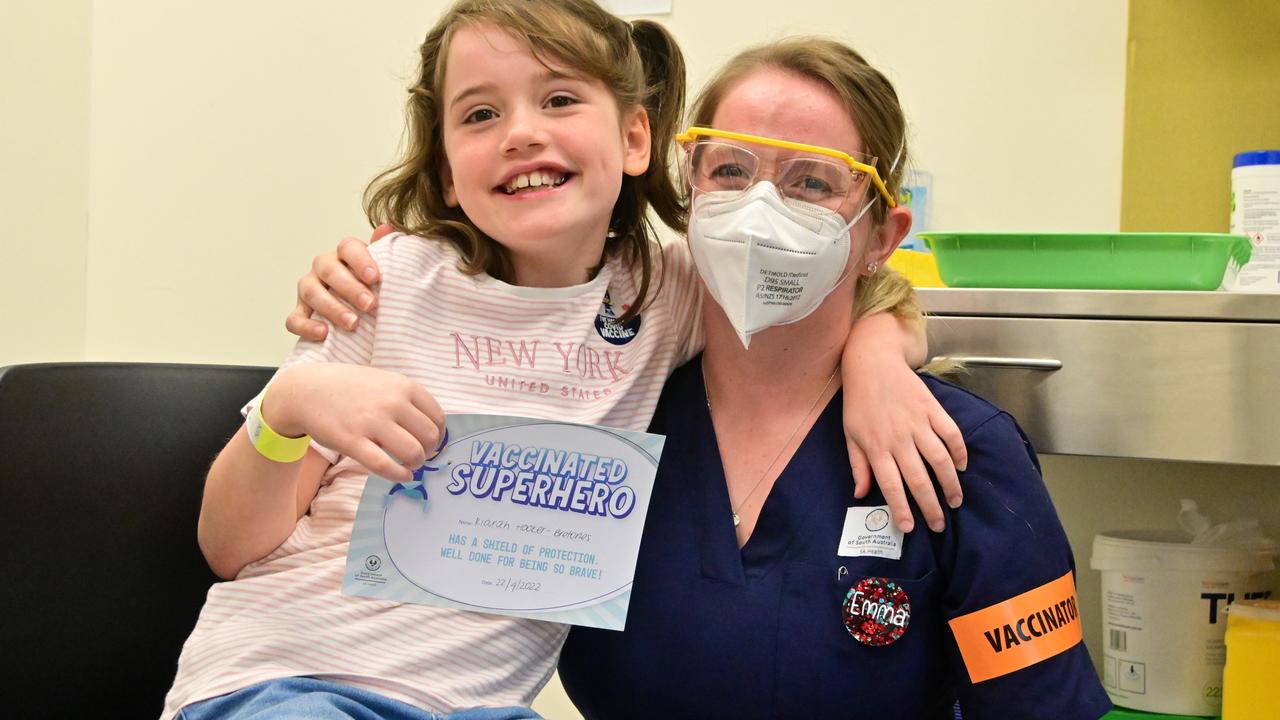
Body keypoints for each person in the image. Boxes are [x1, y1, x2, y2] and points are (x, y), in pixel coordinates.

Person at [166, 2, 957, 719]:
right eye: (479, 114)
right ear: (447, 168)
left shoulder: (669, 294)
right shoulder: (383, 284)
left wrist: (880, 361)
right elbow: (230, 547)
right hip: (283, 682)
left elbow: (847, 286)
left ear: (636, 137)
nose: (519, 132)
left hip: (478, 710)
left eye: (559, 99)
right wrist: (290, 408)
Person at [551, 39, 1113, 718]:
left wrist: (878, 346)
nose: (759, 209)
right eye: (730, 168)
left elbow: (1040, 706)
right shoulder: (616, 414)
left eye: (811, 182)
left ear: (882, 235)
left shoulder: (958, 452)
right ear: (689, 188)